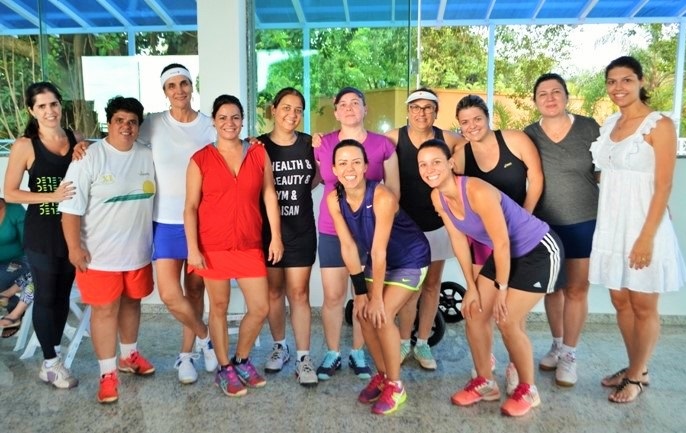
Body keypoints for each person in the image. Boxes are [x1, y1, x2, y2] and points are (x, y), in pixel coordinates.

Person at [418, 139, 563, 417]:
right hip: (504, 254)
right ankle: (485, 382)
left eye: (436, 161)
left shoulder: (476, 190)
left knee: (506, 318)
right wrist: (471, 287)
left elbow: (502, 242)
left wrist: (503, 289)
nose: (429, 169)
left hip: (538, 251)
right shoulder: (438, 197)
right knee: (473, 311)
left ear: (450, 163)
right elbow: (459, 241)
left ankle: (528, 389)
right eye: (423, 164)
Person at [589, 56, 686, 403]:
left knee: (643, 303)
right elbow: (607, 173)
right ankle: (634, 366)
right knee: (620, 300)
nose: (619, 88)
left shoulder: (659, 125)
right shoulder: (611, 124)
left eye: (626, 80)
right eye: (612, 81)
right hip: (613, 223)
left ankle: (637, 375)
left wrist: (646, 236)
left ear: (641, 82)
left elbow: (663, 186)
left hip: (645, 225)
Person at [184, 94, 283, 397]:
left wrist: (275, 236)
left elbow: (269, 195)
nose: (230, 123)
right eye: (223, 117)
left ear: (243, 120)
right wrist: (193, 248)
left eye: (236, 117)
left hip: (249, 243)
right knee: (220, 307)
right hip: (212, 245)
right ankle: (225, 368)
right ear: (213, 121)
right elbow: (190, 207)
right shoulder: (200, 159)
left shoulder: (257, 153)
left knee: (261, 306)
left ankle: (241, 359)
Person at [59, 96, 156, 404]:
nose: (126, 127)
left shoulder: (147, 154)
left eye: (132, 122)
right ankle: (107, 374)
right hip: (99, 255)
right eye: (119, 121)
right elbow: (70, 209)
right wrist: (74, 248)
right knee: (104, 311)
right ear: (109, 123)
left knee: (132, 303)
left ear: (139, 126)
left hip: (138, 252)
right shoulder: (88, 157)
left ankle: (129, 357)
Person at [328, 139, 430, 415]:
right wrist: (361, 294)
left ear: (365, 168)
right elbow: (348, 247)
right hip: (378, 260)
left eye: (356, 162)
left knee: (381, 314)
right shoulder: (334, 199)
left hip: (409, 258)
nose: (349, 168)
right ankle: (384, 375)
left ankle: (396, 386)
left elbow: (378, 251)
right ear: (334, 169)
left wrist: (375, 299)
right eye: (343, 163)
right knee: (363, 314)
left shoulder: (382, 196)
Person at [453, 94, 544, 393]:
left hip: (518, 236)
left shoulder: (515, 140)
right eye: (465, 122)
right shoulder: (462, 153)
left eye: (477, 119)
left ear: (488, 117)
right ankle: (485, 358)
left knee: (511, 310)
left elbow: (537, 178)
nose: (472, 126)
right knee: (483, 305)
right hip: (483, 240)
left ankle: (516, 364)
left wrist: (524, 218)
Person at [313, 87, 400, 381]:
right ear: (336, 111)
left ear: (365, 109)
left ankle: (359, 352)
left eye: (355, 103)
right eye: (343, 104)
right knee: (333, 295)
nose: (349, 108)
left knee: (361, 295)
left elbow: (394, 191)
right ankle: (333, 352)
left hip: (368, 232)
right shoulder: (322, 144)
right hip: (330, 229)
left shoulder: (383, 145)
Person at [138, 63, 217, 384]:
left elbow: (231, 152)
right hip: (165, 222)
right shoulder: (152, 125)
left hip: (202, 221)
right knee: (170, 294)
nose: (179, 90)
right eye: (172, 86)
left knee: (195, 289)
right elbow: (119, 140)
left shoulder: (210, 126)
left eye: (184, 83)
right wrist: (83, 144)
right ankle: (204, 336)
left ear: (191, 86)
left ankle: (186, 356)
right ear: (164, 92)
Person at [3, 81, 82, 389]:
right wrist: (53, 196)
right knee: (46, 296)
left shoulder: (75, 137)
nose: (49, 111)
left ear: (60, 105)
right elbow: (9, 193)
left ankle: (55, 356)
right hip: (42, 233)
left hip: (72, 232)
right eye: (42, 106)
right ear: (31, 111)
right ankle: (49, 364)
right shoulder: (25, 145)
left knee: (61, 296)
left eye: (53, 104)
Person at [523, 73, 601, 387]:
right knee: (552, 288)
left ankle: (570, 354)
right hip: (546, 223)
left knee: (577, 289)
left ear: (567, 96)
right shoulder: (530, 134)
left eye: (556, 91)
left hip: (584, 220)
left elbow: (602, 172)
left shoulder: (589, 127)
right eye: (543, 93)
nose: (550, 97)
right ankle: (556, 345)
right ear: (535, 101)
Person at [385, 87, 465, 370]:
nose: (421, 113)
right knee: (411, 287)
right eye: (416, 108)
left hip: (437, 223)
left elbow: (474, 142)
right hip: (406, 226)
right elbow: (363, 146)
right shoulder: (394, 138)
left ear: (436, 112)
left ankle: (422, 344)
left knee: (431, 285)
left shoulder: (449, 139)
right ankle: (404, 341)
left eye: (428, 108)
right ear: (408, 111)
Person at [257, 88, 319, 386]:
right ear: (273, 109)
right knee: (273, 292)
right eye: (286, 108)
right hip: (268, 232)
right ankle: (280, 346)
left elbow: (317, 177)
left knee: (300, 294)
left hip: (302, 230)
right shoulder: (257, 146)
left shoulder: (309, 144)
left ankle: (304, 357)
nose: (292, 114)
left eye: (298, 110)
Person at [0, 197, 34, 338]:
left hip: (20, 260)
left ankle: (13, 310)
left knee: (2, 276)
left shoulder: (14, 210)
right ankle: (8, 303)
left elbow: (29, 244)